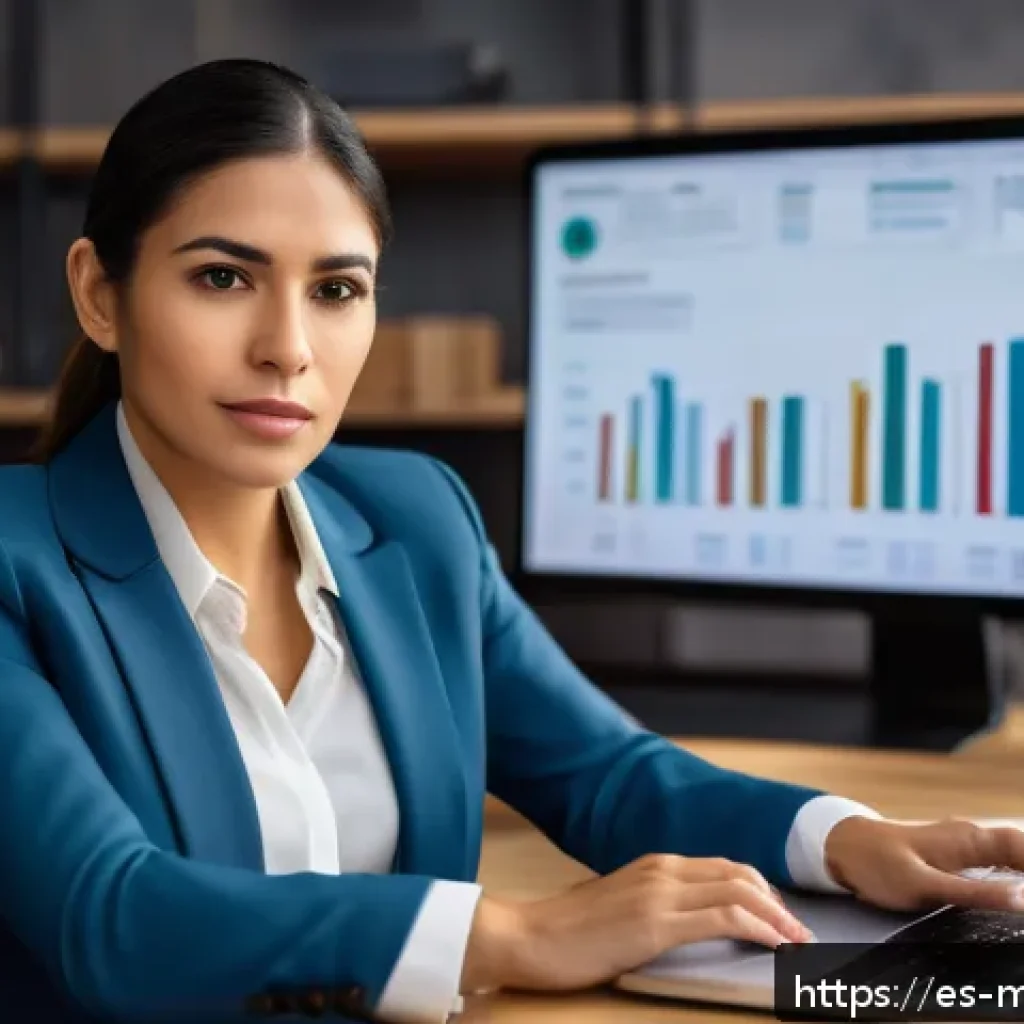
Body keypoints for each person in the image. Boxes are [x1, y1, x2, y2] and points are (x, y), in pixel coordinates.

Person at [0, 58, 1020, 1024]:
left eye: (336, 289)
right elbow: (114, 917)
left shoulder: (416, 519)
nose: (289, 348)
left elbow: (605, 775)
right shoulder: (17, 560)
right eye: (224, 279)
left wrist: (847, 842)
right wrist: (508, 936)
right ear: (101, 294)